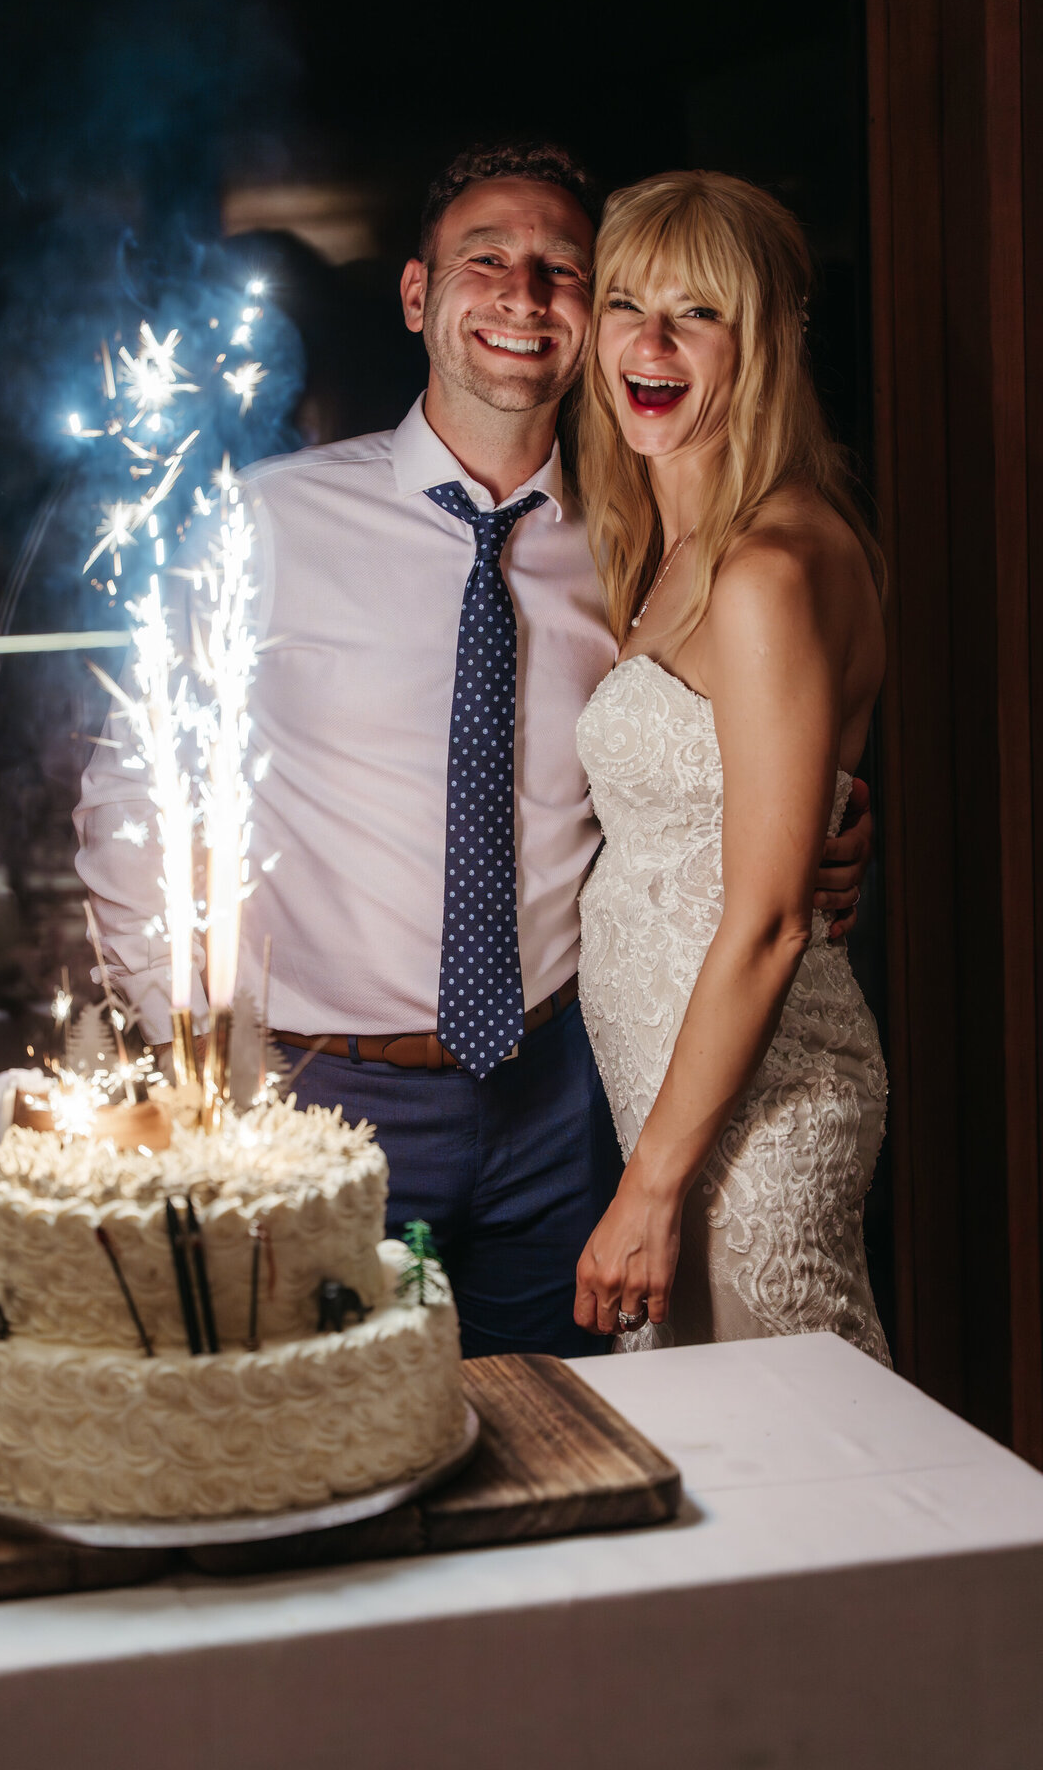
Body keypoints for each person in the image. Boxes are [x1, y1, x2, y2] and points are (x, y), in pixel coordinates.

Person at [75, 144, 872, 1361]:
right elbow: (134, 781)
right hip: (324, 1097)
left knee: (566, 1458)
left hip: (567, 1100)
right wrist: (207, 1063)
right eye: (486, 260)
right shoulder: (267, 520)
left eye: (563, 270)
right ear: (416, 297)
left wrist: (826, 825)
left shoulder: (636, 551)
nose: (524, 293)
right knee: (321, 1443)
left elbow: (721, 768)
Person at [573, 170, 890, 1363]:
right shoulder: (668, 547)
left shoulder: (766, 566)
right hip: (678, 1103)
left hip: (749, 1126)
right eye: (624, 302)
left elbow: (764, 921)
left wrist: (651, 1187)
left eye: (697, 311)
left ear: (765, 339)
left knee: (795, 1480)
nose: (649, 342)